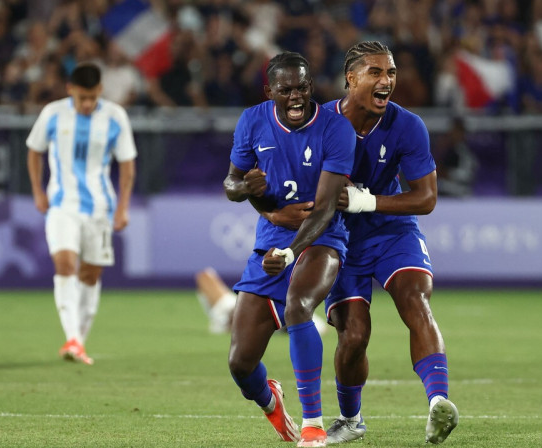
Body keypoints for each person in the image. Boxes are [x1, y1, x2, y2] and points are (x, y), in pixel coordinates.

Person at [322, 41, 459, 444]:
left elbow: (427, 197)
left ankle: (438, 404)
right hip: (339, 238)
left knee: (416, 300)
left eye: (392, 73)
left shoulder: (408, 125)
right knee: (354, 336)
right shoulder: (320, 124)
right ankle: (351, 420)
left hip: (391, 230)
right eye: (376, 73)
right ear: (351, 78)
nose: (387, 81)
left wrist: (366, 201)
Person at [224, 51, 355, 447]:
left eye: (302, 88)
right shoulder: (252, 120)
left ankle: (313, 424)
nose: (295, 97)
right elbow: (231, 184)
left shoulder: (335, 128)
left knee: (299, 304)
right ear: (270, 91)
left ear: (311, 87)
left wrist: (292, 250)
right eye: (286, 90)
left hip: (321, 237)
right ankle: (271, 401)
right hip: (270, 243)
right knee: (241, 363)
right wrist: (250, 189)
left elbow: (327, 207)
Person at [26, 63, 136, 366]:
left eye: (92, 97)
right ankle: (72, 337)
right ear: (70, 90)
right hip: (62, 204)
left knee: (90, 274)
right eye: (81, 98)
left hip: (100, 207)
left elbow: (127, 164)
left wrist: (123, 207)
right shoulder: (52, 114)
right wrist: (37, 191)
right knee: (63, 263)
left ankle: (79, 342)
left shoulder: (115, 116)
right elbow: (34, 150)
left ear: (100, 91)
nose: (87, 104)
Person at [195, 267, 328, 336]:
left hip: (232, 314)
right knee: (205, 275)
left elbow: (319, 329)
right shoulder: (304, 312)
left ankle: (220, 323)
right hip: (241, 305)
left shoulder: (295, 319)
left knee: (205, 277)